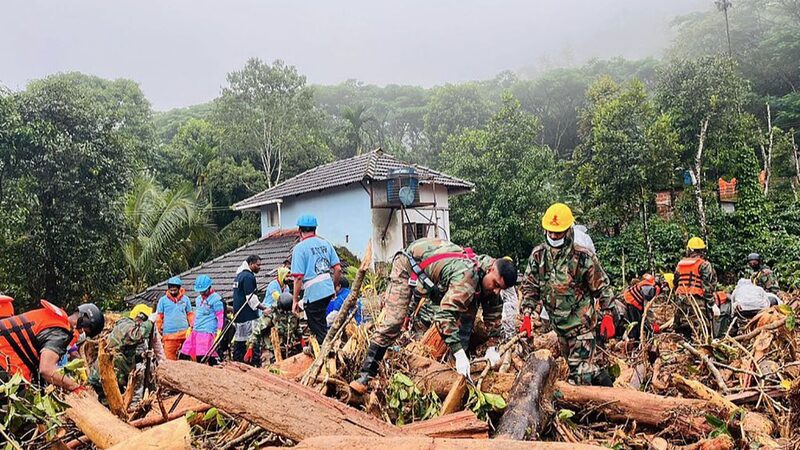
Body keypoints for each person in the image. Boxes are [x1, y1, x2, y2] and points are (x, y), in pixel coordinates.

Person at [349, 237, 517, 394]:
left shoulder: (490, 283)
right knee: (395, 321)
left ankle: (455, 372)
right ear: (490, 269)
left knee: (466, 320)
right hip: (409, 264)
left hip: (438, 275)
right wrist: (459, 353)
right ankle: (365, 375)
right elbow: (443, 315)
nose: (495, 291)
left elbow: (493, 318)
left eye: (500, 288)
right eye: (495, 284)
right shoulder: (467, 277)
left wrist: (492, 347)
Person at [519, 203, 615, 386]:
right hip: (559, 327)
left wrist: (609, 314)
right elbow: (530, 287)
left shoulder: (583, 257)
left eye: (559, 232)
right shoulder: (538, 256)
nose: (554, 236)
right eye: (550, 232)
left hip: (581, 326)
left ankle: (599, 405)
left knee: (579, 378)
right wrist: (526, 314)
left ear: (568, 230)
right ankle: (604, 384)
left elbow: (602, 287)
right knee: (576, 369)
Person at [0, 300, 104, 392]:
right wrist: (75, 387)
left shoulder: (53, 319)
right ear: (84, 321)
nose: (81, 333)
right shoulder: (61, 333)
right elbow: (46, 370)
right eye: (84, 331)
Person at [89, 304, 161, 402]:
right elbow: (137, 334)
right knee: (111, 405)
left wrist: (141, 356)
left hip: (112, 375)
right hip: (104, 376)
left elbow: (126, 355)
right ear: (140, 318)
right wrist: (150, 322)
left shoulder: (128, 327)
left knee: (114, 404)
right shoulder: (125, 326)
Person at [291, 214, 342, 344]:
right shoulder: (326, 244)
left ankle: (325, 354)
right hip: (327, 290)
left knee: (318, 331)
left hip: (313, 294)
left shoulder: (299, 248)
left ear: (300, 231)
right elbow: (338, 269)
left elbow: (298, 278)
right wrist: (334, 286)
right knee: (321, 322)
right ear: (315, 229)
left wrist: (295, 300)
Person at [673, 237, 718, 339]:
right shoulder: (704, 264)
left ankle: (686, 345)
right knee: (702, 326)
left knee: (684, 326)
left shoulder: (680, 264)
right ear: (702, 250)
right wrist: (712, 303)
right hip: (696, 300)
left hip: (680, 299)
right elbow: (706, 287)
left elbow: (675, 282)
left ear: (689, 249)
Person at [244, 293, 302, 364]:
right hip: (271, 350)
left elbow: (297, 329)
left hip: (288, 350)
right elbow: (257, 331)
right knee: (269, 369)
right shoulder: (271, 315)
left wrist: (301, 341)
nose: (286, 313)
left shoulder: (293, 316)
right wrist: (250, 347)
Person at [180, 275, 224, 365]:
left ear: (209, 287)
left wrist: (219, 330)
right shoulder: (198, 299)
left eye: (204, 291)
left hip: (207, 331)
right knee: (185, 352)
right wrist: (191, 326)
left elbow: (220, 317)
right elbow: (198, 314)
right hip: (196, 330)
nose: (202, 293)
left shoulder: (216, 300)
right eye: (200, 291)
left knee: (204, 355)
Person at [232, 255, 268, 364]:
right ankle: (254, 363)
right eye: (258, 265)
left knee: (240, 340)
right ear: (251, 264)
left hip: (239, 315)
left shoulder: (239, 276)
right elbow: (251, 298)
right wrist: (264, 308)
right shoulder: (248, 277)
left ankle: (238, 361)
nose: (259, 268)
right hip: (248, 315)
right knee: (253, 340)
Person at [618, 274, 667, 339]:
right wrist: (652, 322)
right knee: (636, 323)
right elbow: (647, 307)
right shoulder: (651, 289)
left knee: (638, 321)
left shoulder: (651, 285)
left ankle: (638, 338)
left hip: (632, 301)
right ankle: (635, 340)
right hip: (631, 302)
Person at [156, 276, 194, 360]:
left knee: (188, 359)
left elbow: (190, 314)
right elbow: (159, 317)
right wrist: (157, 331)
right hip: (169, 336)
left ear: (179, 288)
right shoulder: (163, 300)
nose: (173, 292)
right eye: (171, 290)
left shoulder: (186, 299)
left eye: (175, 290)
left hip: (184, 334)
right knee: (169, 361)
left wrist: (193, 325)